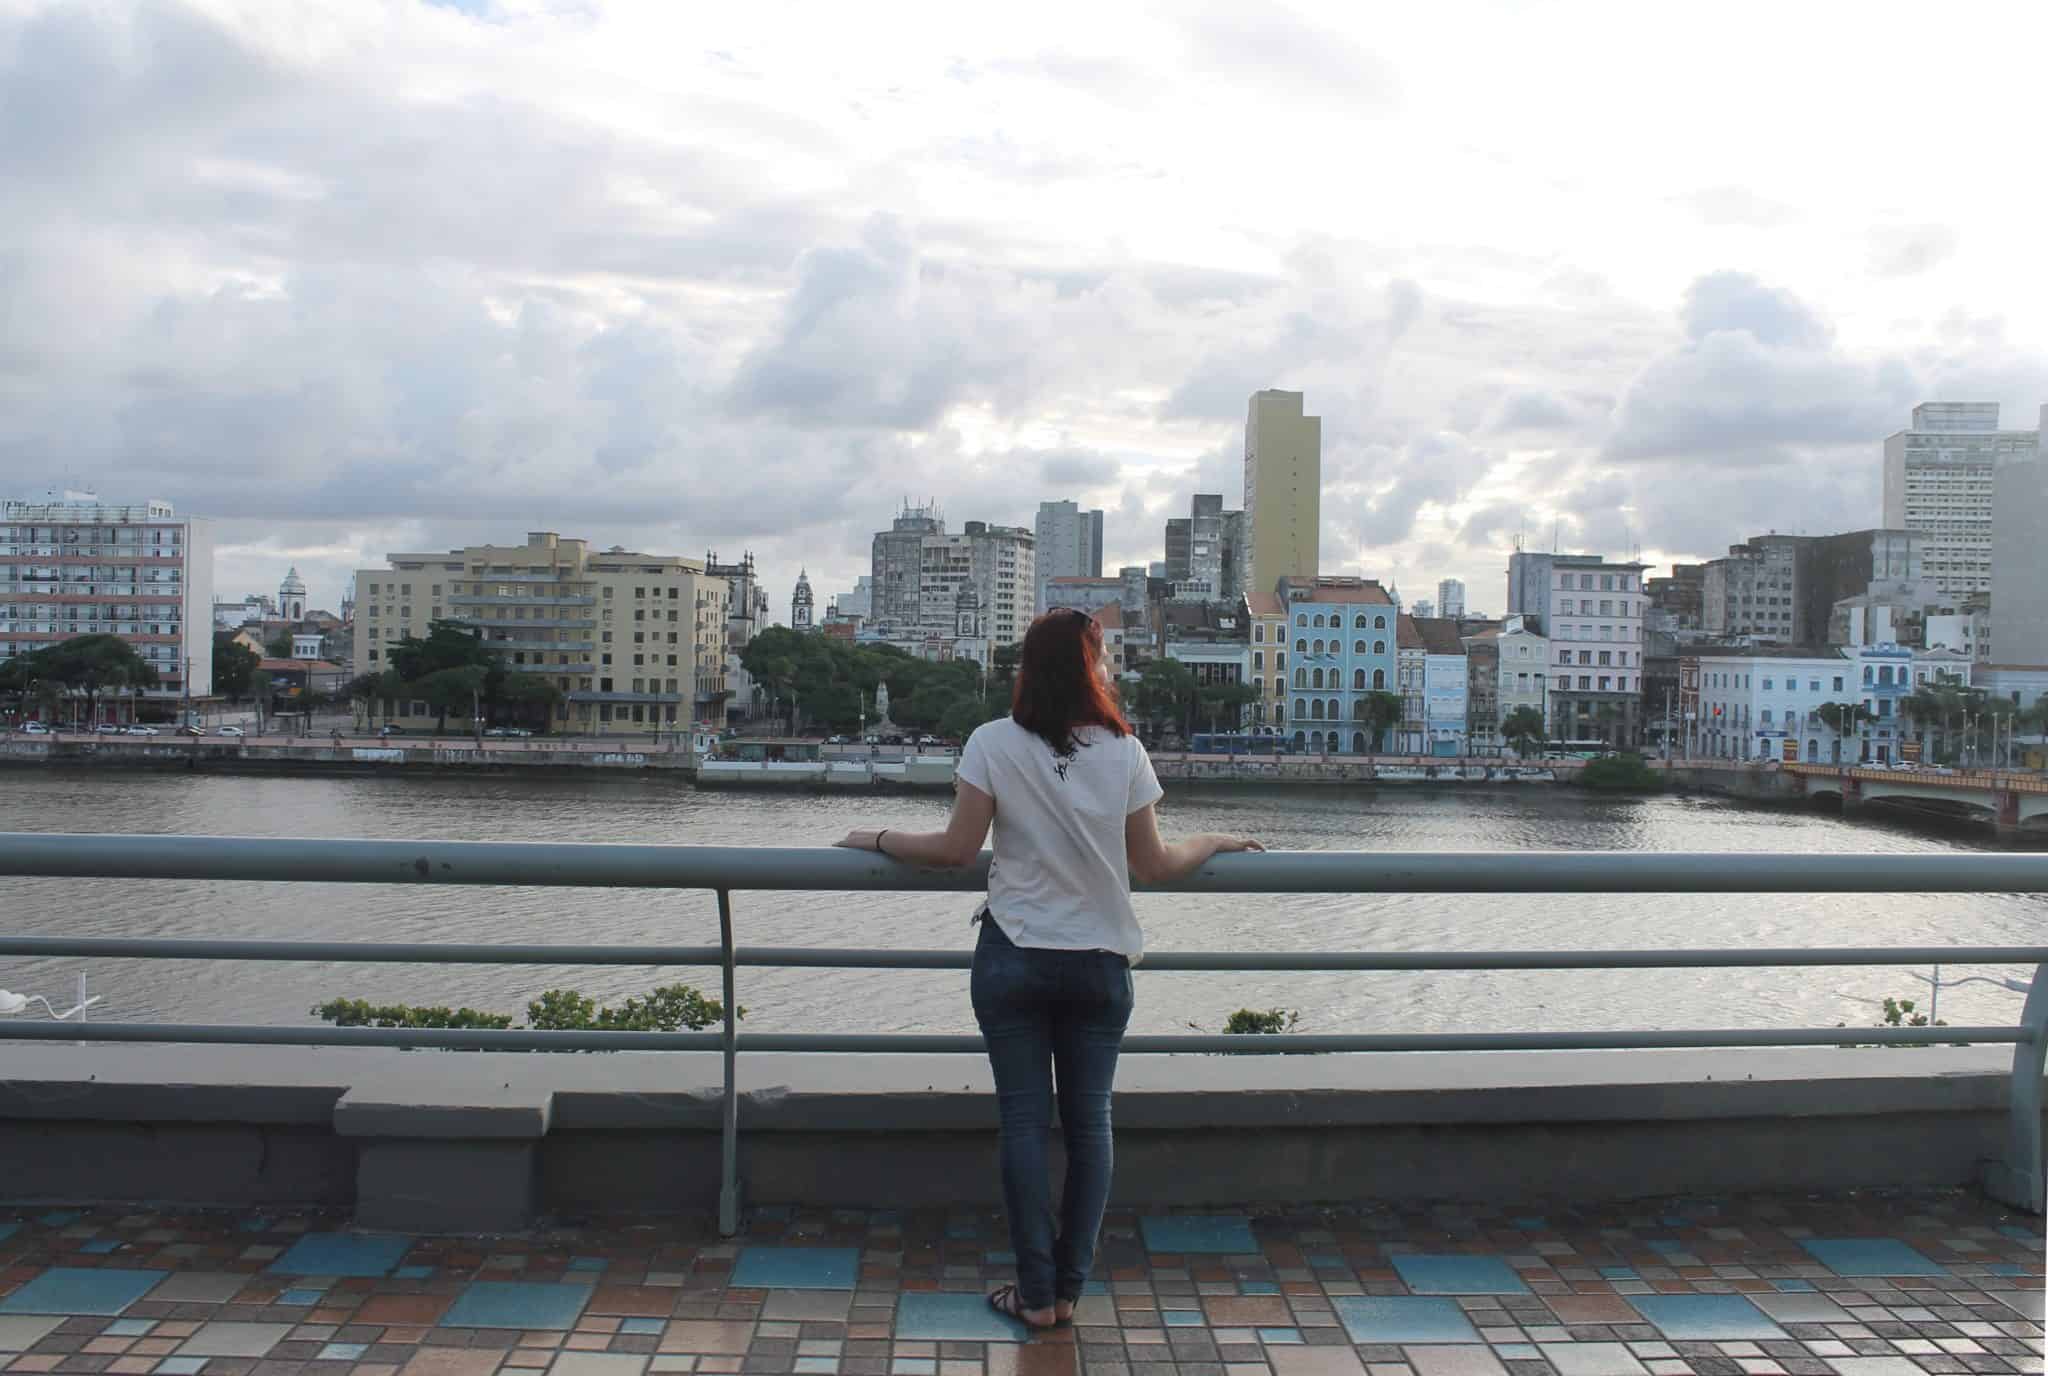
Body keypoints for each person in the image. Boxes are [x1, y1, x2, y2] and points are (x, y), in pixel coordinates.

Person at [835, 608, 1263, 1330]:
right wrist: (1215, 838)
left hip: (1015, 958)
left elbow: (952, 850)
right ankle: (1067, 1290)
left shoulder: (992, 743)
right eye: (1103, 659)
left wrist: (872, 836)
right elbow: (1153, 865)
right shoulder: (1124, 751)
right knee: (1090, 1125)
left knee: (1025, 1125)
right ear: (1092, 668)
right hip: (1097, 963)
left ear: (1027, 670)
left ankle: (1034, 1296)